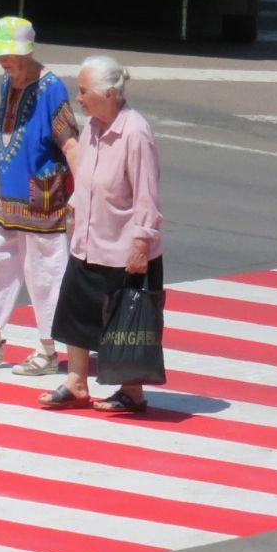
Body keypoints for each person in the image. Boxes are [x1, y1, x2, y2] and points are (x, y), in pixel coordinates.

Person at [0, 16, 77, 378]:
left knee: (45, 274)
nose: (2, 60)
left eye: (8, 54)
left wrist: (83, 193)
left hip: (43, 199)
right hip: (10, 199)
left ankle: (48, 349)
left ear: (27, 52)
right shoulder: (7, 82)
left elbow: (70, 142)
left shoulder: (51, 88)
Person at [43, 54, 162, 414]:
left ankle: (132, 391)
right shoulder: (94, 127)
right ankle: (77, 383)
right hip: (88, 242)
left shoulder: (135, 132)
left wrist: (141, 244)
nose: (78, 98)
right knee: (75, 312)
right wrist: (73, 211)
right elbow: (87, 179)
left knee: (124, 322)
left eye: (84, 91)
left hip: (124, 249)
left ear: (109, 94)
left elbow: (146, 194)